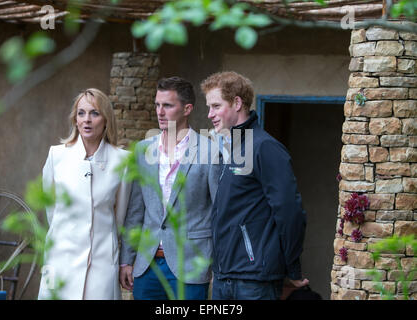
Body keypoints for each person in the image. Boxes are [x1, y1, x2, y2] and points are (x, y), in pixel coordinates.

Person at [201, 71, 309, 300]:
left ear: (237, 102)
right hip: (223, 278)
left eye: (216, 106)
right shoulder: (231, 149)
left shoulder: (265, 147)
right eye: (209, 107)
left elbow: (290, 212)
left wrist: (292, 268)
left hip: (254, 282)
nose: (210, 114)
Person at [119, 77, 220, 300]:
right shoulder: (143, 150)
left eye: (167, 105)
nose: (160, 112)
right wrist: (127, 259)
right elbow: (135, 211)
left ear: (187, 109)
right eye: (157, 105)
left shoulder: (210, 151)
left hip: (191, 265)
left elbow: (219, 213)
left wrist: (217, 265)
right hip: (147, 265)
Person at [38, 88, 131, 300]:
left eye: (94, 113)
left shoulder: (122, 161)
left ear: (106, 119)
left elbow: (119, 218)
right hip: (61, 258)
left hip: (102, 260)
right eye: (81, 113)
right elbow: (52, 211)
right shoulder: (57, 155)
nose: (87, 120)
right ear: (75, 119)